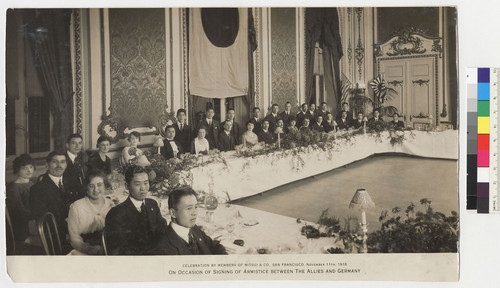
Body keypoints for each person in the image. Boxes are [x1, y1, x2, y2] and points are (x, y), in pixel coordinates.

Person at [105, 165, 167, 255]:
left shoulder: (152, 204)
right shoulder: (116, 214)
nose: (143, 188)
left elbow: (162, 231)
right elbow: (118, 251)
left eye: (146, 183)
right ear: (127, 186)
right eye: (137, 184)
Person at [30, 151, 83, 253]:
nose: (59, 165)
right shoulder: (37, 189)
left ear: (66, 165)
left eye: (62, 162)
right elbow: (45, 221)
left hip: (79, 229)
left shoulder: (72, 182)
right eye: (55, 162)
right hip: (59, 238)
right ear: (47, 165)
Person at [159, 187, 227, 255]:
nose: (195, 213)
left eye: (196, 207)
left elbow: (215, 246)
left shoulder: (194, 229)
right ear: (173, 213)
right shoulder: (164, 248)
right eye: (189, 208)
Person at [67, 171, 114, 255]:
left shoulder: (110, 205)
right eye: (91, 186)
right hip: (84, 249)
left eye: (99, 185)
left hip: (108, 247)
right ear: (86, 188)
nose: (96, 189)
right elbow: (74, 238)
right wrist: (87, 249)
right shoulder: (77, 207)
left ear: (105, 186)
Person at [6, 154, 35, 252]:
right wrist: (38, 214)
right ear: (17, 170)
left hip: (33, 222)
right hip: (23, 228)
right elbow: (20, 212)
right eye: (24, 168)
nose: (29, 170)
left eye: (31, 167)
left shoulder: (31, 183)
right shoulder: (13, 188)